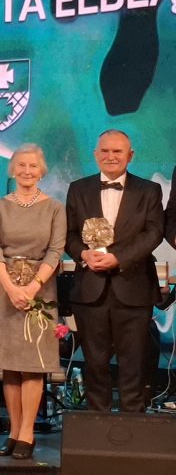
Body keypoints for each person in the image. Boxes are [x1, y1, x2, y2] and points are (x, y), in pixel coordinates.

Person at [65, 130, 164, 412]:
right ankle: (98, 423)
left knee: (133, 362)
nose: (111, 156)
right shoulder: (78, 188)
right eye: (105, 151)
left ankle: (132, 425)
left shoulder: (148, 190)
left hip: (133, 286)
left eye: (117, 151)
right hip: (90, 287)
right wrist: (83, 254)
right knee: (94, 363)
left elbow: (154, 232)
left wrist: (118, 258)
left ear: (130, 156)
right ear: (95, 154)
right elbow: (69, 234)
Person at [0, 144, 66, 460]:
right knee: (10, 365)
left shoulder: (55, 208)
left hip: (39, 290)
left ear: (41, 171)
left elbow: (56, 251)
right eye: (21, 165)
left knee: (32, 365)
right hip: (4, 288)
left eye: (32, 166)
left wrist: (32, 287)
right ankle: (13, 432)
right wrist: (9, 287)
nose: (27, 171)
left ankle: (27, 434)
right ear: (12, 169)